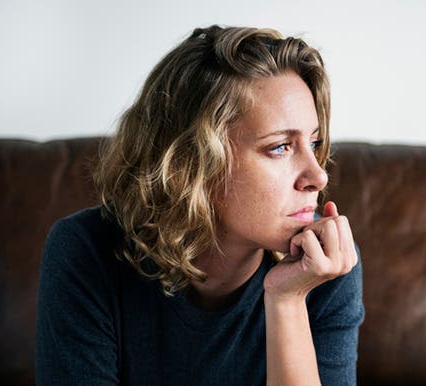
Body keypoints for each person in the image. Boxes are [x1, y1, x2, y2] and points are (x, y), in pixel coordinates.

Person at [35, 25, 364, 386]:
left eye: (314, 144)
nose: (319, 176)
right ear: (193, 162)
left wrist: (287, 300)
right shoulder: (85, 252)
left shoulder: (324, 267)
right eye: (280, 147)